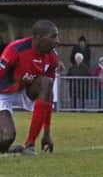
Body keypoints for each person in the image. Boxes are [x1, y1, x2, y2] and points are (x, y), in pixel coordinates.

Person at [0, 20, 59, 156]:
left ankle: (30, 144)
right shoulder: (15, 49)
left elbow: (49, 97)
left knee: (46, 83)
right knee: (6, 138)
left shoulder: (52, 56)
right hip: (3, 93)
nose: (57, 41)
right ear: (38, 37)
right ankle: (5, 144)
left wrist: (47, 132)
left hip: (25, 91)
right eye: (53, 36)